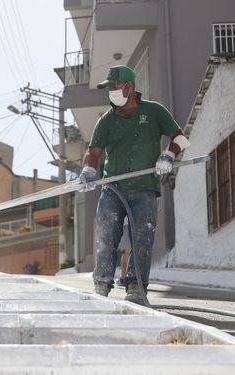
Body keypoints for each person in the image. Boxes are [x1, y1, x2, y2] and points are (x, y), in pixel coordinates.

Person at [78, 65, 189, 305]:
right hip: (113, 187)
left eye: (115, 87)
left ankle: (136, 288)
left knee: (142, 238)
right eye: (109, 88)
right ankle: (101, 286)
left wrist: (168, 155)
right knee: (106, 235)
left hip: (145, 188)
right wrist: (88, 170)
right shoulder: (106, 121)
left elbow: (179, 139)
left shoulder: (154, 111)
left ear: (130, 87)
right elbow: (93, 152)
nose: (111, 92)